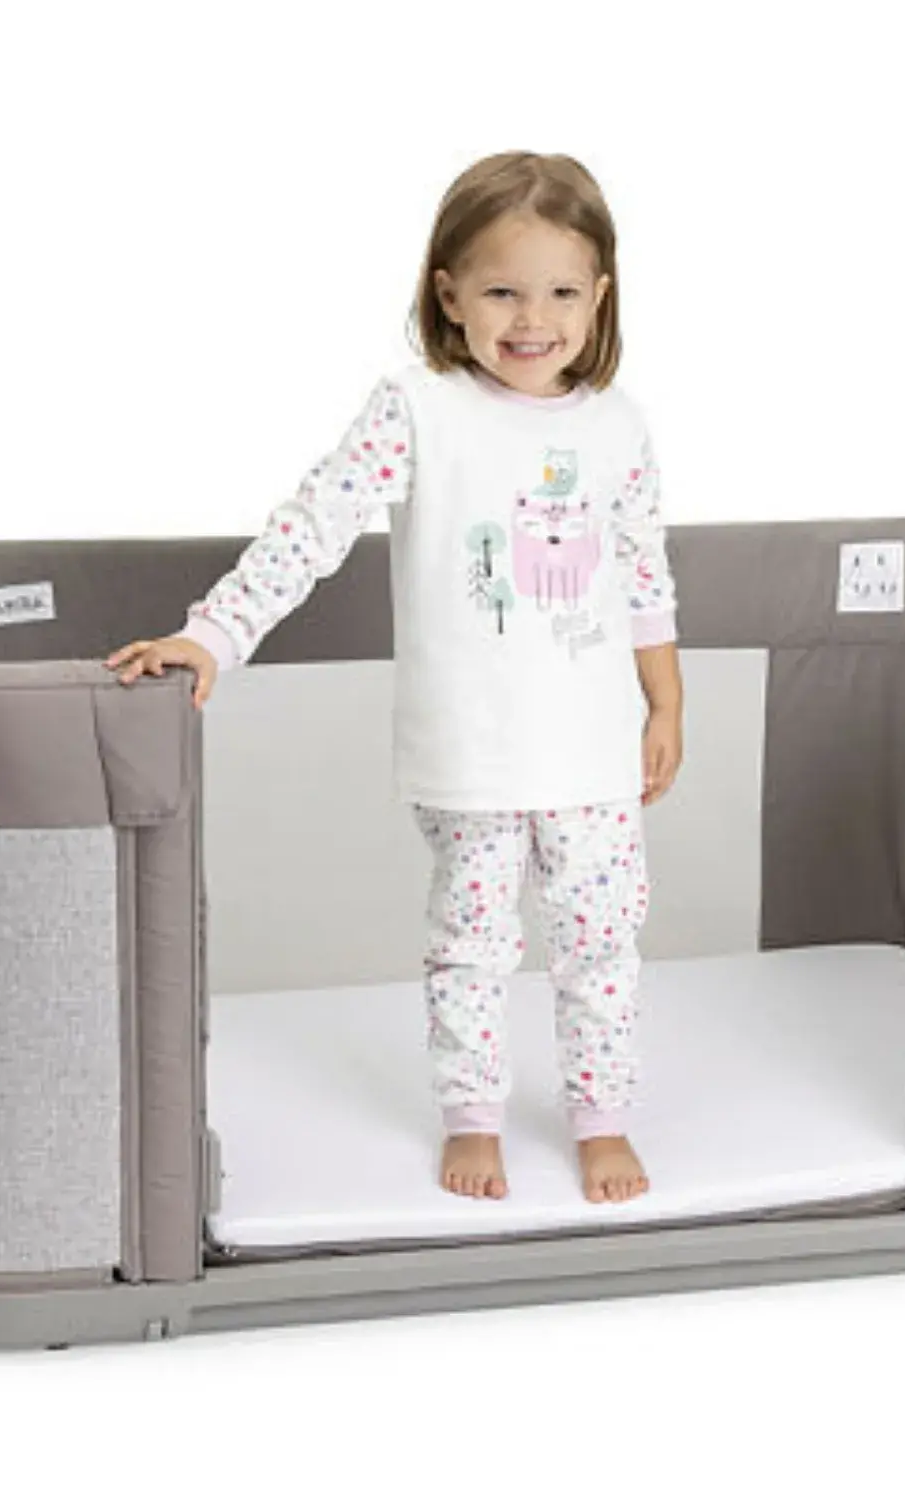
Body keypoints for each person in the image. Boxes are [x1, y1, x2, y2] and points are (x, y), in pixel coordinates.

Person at [105, 151, 683, 1206]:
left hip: (594, 750)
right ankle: (474, 1115)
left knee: (603, 944)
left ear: (600, 296)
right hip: (472, 752)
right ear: (448, 294)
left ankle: (602, 1115)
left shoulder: (618, 425)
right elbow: (314, 527)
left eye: (562, 292)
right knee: (472, 946)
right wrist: (213, 635)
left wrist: (667, 701)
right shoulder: (418, 410)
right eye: (502, 292)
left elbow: (645, 571)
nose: (533, 320)